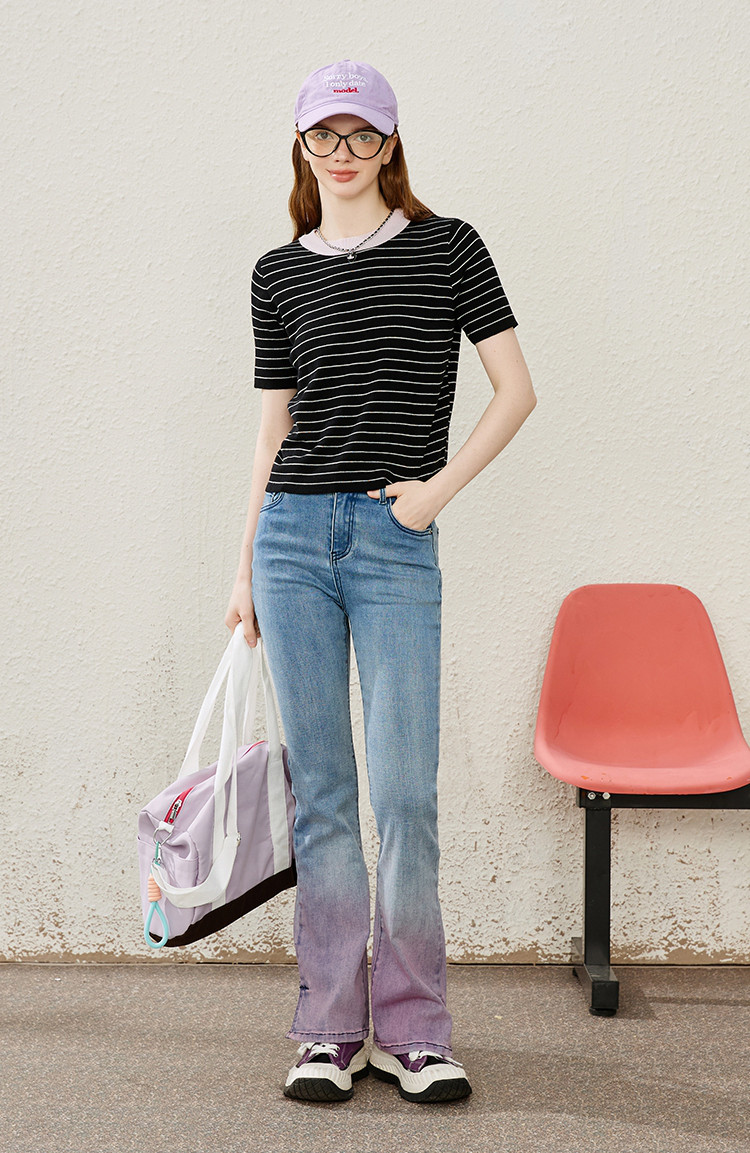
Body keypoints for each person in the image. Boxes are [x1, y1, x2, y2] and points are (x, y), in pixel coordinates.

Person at [225, 58, 537, 1105]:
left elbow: (515, 390)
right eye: (326, 134)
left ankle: (413, 1029)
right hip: (290, 541)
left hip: (396, 538)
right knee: (323, 794)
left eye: (363, 135)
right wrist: (243, 566)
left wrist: (431, 496)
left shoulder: (449, 247)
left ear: (391, 143)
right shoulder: (277, 272)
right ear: (303, 144)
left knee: (404, 794)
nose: (344, 152)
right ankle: (326, 1029)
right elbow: (273, 430)